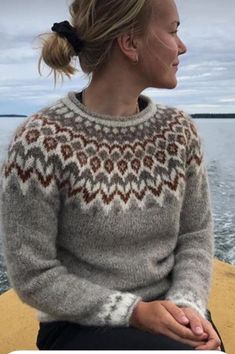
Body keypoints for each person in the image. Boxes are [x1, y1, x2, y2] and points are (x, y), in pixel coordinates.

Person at [0, 0, 225, 351]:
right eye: (173, 30)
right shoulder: (40, 143)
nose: (182, 46)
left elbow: (195, 233)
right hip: (78, 323)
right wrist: (135, 312)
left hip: (170, 310)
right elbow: (33, 274)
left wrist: (187, 306)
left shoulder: (179, 132)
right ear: (130, 43)